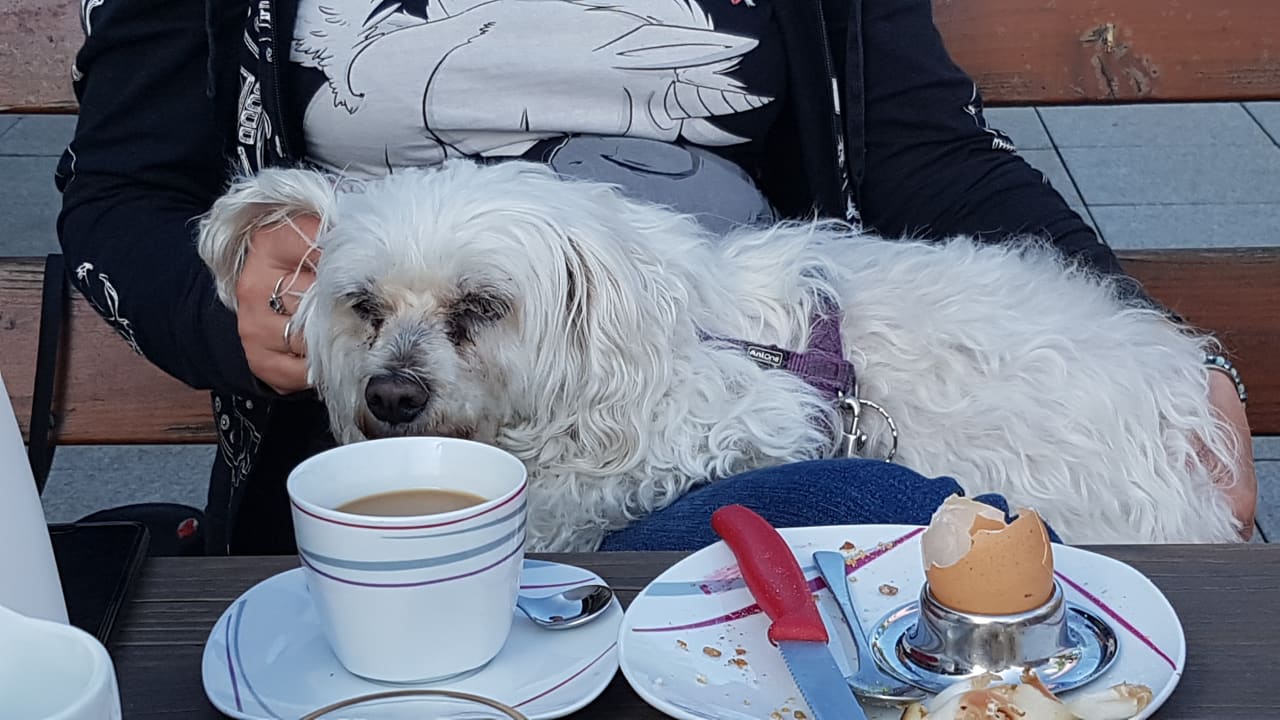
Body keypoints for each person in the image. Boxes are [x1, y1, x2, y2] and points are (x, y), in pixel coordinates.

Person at [55, 0, 1256, 555]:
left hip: (749, 394)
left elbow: (930, 158)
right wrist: (239, 309)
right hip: (378, 482)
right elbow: (120, 196)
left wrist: (1160, 363)